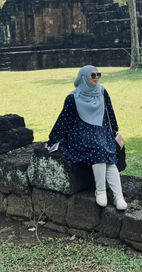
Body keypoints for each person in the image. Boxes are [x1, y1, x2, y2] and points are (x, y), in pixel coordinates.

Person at [46, 65, 127, 210]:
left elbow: (110, 111)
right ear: (84, 77)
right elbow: (64, 120)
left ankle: (118, 196)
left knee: (105, 150)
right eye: (93, 75)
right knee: (99, 149)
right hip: (81, 133)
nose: (96, 78)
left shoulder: (102, 91)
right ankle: (101, 190)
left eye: (98, 75)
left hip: (102, 131)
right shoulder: (73, 98)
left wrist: (114, 130)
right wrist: (53, 139)